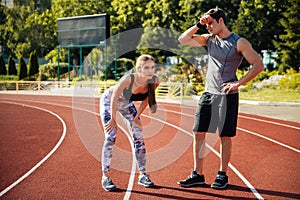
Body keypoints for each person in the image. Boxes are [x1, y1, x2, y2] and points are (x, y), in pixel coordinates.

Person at [177, 7, 264, 189]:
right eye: (206, 24)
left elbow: (258, 65)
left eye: (211, 23)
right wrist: (198, 24)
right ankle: (198, 174)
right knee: (198, 133)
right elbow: (182, 39)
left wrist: (238, 83)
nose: (208, 27)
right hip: (208, 94)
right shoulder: (209, 40)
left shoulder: (239, 43)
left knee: (224, 136)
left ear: (221, 21)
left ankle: (222, 175)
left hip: (227, 96)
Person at [99, 54, 160, 191]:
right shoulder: (128, 79)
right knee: (111, 136)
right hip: (110, 101)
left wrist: (137, 117)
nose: (150, 71)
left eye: (152, 67)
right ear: (139, 69)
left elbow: (146, 100)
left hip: (127, 104)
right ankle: (105, 176)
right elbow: (114, 98)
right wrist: (113, 120)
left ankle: (143, 175)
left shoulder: (155, 81)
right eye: (146, 68)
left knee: (138, 136)